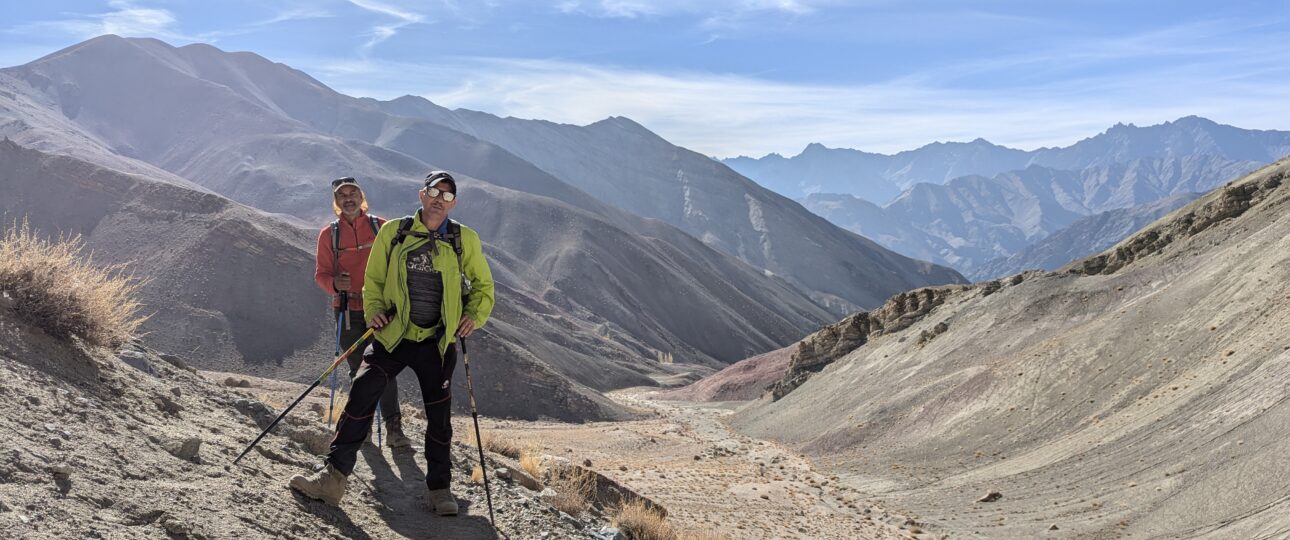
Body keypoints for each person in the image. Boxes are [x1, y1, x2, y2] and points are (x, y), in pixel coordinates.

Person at [291, 171, 496, 516]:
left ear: (453, 203)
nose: (438, 199)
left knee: (439, 415)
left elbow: (483, 286)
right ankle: (332, 478)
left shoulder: (465, 239)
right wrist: (373, 312)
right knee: (361, 393)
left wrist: (474, 315)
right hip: (394, 334)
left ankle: (440, 489)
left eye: (446, 195)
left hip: (438, 339)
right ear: (421, 194)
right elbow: (373, 280)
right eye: (433, 191)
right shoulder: (394, 231)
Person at [312, 177, 411, 449]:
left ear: (361, 196)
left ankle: (394, 429)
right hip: (348, 311)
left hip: (381, 311)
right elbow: (321, 274)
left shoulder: (382, 227)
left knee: (384, 369)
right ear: (336, 202)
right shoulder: (328, 235)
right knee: (359, 370)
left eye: (352, 193)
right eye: (342, 195)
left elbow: (399, 264)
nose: (348, 198)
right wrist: (334, 284)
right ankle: (363, 428)